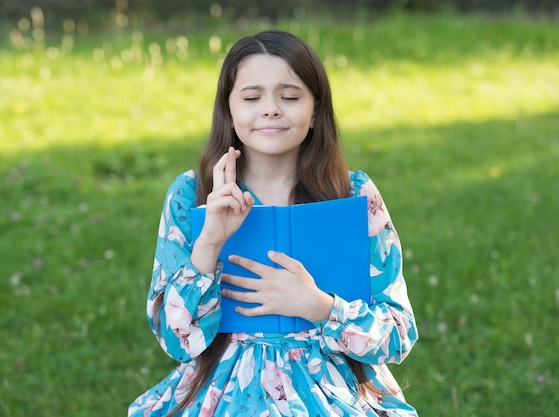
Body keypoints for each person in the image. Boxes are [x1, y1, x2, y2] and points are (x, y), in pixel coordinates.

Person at [128, 30, 418, 417]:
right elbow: (177, 339)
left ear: (315, 110)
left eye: (291, 96)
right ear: (229, 110)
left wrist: (320, 306)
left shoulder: (352, 194)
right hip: (225, 390)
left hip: (331, 391)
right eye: (251, 97)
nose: (270, 109)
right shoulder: (193, 193)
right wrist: (209, 243)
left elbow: (397, 334)